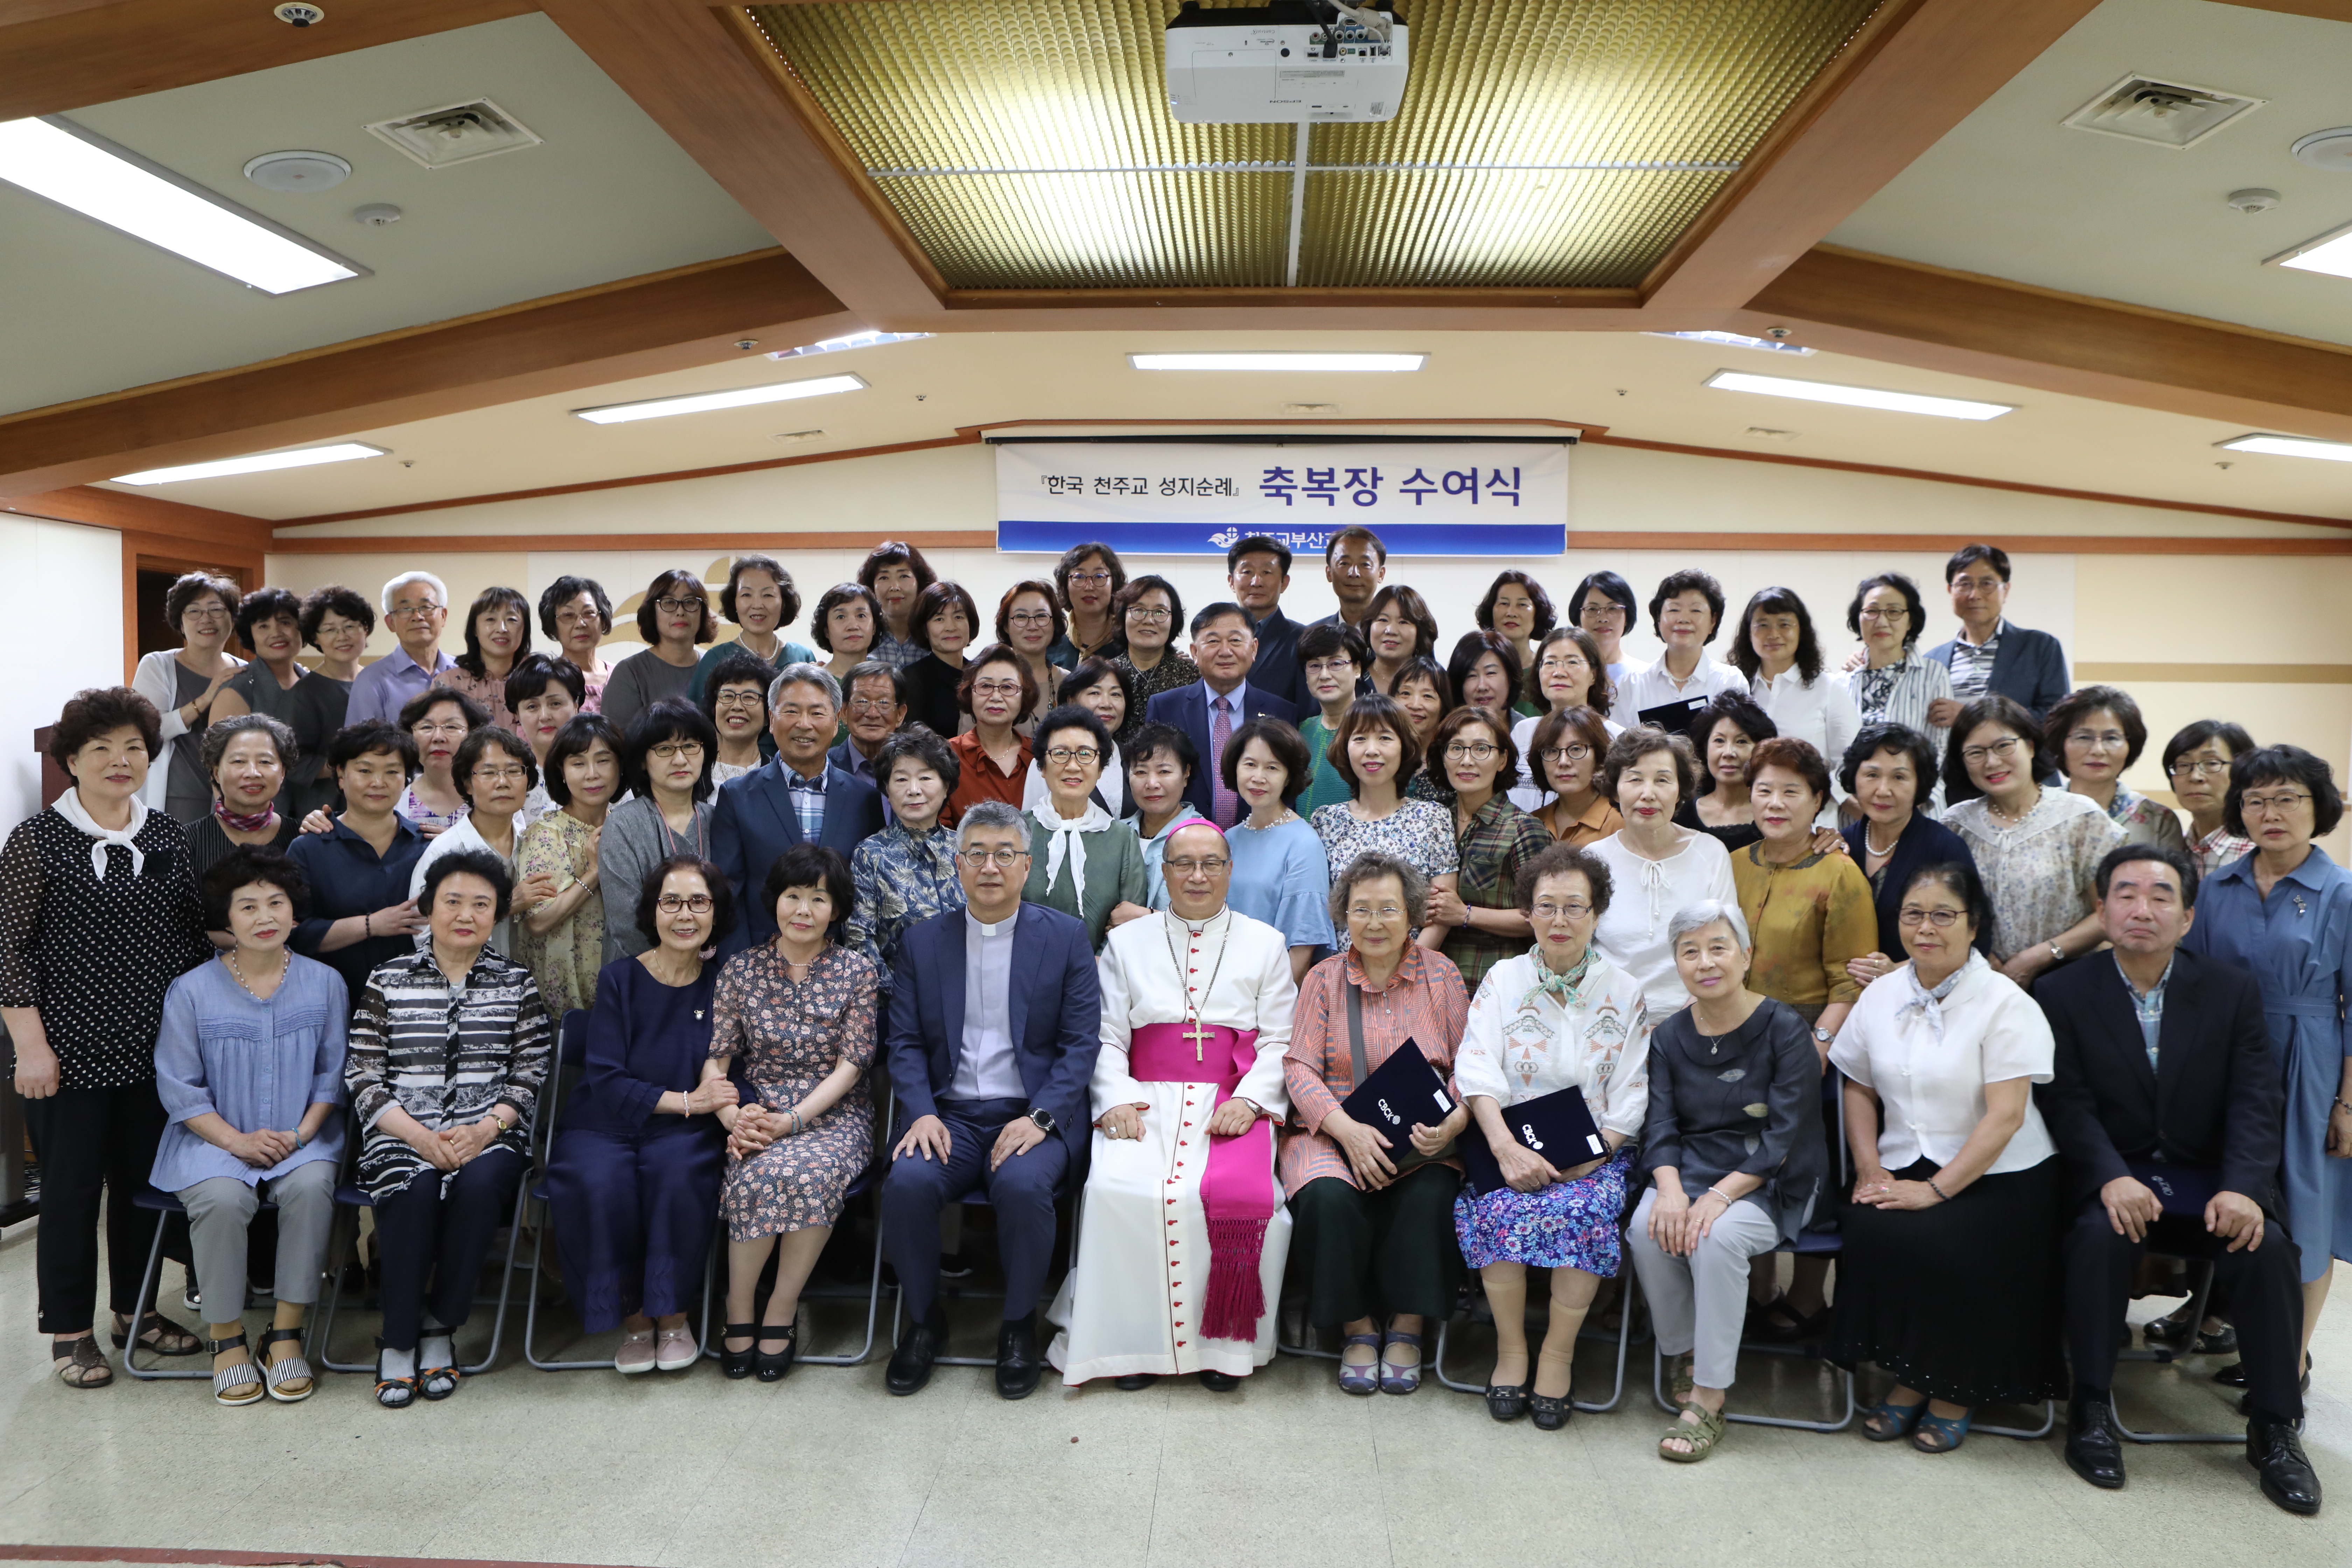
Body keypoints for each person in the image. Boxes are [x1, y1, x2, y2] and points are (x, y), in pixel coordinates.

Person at [2037, 844, 2318, 1513]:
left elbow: (2256, 1098)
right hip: (2116, 1175)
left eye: (2161, 896)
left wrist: (2244, 1187)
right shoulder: (2062, 991)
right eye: (2126, 895)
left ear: (2188, 917)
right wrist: (2108, 1176)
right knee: (2097, 1236)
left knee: (2269, 1248)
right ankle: (2091, 1407)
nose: (2143, 909)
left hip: (2213, 1178)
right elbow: (2066, 1102)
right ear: (2101, 910)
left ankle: (2275, 1426)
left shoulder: (2230, 989)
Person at [3, 687, 212, 1387]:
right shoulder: (37, 839)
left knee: (141, 1188)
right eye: (102, 749)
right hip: (65, 1054)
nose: (120, 760)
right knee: (69, 1194)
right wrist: (30, 1046)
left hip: (155, 1052)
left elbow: (190, 938)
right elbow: (9, 949)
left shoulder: (165, 835)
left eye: (133, 748)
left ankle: (136, 1311)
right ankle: (70, 1330)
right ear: (71, 759)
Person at [1048, 821, 1298, 1389]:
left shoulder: (1266, 943)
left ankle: (1224, 1349)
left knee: (1240, 1200)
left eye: (1211, 864)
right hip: (1144, 1101)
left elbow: (1280, 1040)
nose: (1197, 876)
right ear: (1164, 872)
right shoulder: (1126, 943)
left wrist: (1253, 1100)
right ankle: (1130, 1348)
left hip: (1229, 1101)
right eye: (1183, 864)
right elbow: (1104, 1036)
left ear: (1230, 871)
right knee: (1117, 1191)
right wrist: (1115, 1097)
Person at [1828, 860, 2067, 1452]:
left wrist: (1935, 1191)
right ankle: (1911, 1375)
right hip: (1906, 1158)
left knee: (1952, 1239)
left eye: (1943, 915)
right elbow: (1857, 1086)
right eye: (1913, 914)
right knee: (1870, 1225)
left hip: (2002, 1171)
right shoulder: (1882, 994)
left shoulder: (2004, 1002)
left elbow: (2006, 1116)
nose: (1926, 928)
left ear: (1974, 924)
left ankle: (1953, 1389)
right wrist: (1869, 1167)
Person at [881, 802, 1102, 1399]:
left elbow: (1081, 1044)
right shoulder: (923, 942)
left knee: (1024, 1187)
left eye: (1005, 854)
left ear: (1027, 866)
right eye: (976, 853)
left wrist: (1042, 1118)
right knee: (906, 1184)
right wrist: (922, 1111)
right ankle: (924, 1322)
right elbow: (904, 1041)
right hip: (948, 1116)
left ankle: (1017, 1327)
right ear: (958, 864)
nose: (990, 867)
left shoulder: (1065, 938)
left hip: (1031, 1115)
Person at [1454, 842, 1654, 1430]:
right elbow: (1476, 1068)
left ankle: (1558, 1356)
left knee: (1584, 1211)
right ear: (1529, 912)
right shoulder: (1503, 979)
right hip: (1508, 1144)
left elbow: (1634, 1089)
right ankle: (1512, 1351)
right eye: (1546, 906)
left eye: (1574, 907)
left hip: (1596, 1154)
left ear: (1596, 913)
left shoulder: (1625, 990)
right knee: (1499, 1209)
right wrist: (1504, 1148)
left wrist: (1596, 1156)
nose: (1559, 920)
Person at [346, 849, 550, 1406]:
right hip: (401, 1134)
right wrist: (417, 1137)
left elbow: (531, 1070)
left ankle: (440, 1326)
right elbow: (362, 1074)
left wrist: (485, 1131)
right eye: (453, 902)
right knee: (412, 1188)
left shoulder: (515, 982)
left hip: (490, 1134)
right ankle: (398, 1338)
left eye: (481, 905)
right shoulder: (388, 979)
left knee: (481, 1186)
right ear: (428, 907)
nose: (466, 915)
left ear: (497, 914)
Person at [2181, 743, 2352, 1396]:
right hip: (2224, 1060)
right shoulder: (2217, 887)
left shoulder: (2342, 893)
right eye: (2256, 800)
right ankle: (2228, 1327)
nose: (2270, 813)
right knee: (2230, 1197)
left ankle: (2291, 1363)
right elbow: (2192, 985)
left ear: (2319, 807)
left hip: (2310, 1060)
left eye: (2287, 799)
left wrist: (2347, 1103)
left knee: (2306, 1212)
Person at [1628, 902, 1825, 1461]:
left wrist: (1719, 1195)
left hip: (1775, 1179)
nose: (1705, 962)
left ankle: (1710, 1398)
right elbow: (1660, 1124)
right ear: (1677, 964)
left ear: (1746, 956)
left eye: (1718, 948)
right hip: (1691, 1168)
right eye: (1690, 952)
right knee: (1647, 1228)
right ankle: (1687, 1353)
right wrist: (1670, 1190)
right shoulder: (1669, 1036)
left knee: (1717, 1238)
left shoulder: (1785, 1029)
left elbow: (1786, 1136)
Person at [153, 847, 346, 1406]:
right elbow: (180, 1088)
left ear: (294, 911)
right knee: (222, 1197)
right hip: (212, 1138)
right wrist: (235, 1141)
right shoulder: (191, 989)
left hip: (300, 1135)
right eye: (249, 906)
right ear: (227, 918)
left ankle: (285, 1334)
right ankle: (227, 1337)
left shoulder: (326, 982)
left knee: (312, 1186)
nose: (265, 917)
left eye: (276, 903)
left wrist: (301, 1135)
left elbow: (332, 1078)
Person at [1281, 852, 1470, 1395]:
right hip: (1334, 1129)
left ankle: (1409, 1327)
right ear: (1345, 915)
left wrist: (1455, 1122)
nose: (1375, 922)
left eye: (1389, 909)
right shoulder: (1323, 978)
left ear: (1411, 913)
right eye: (1361, 909)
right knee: (1326, 1198)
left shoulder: (1442, 975)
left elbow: (1472, 1062)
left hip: (1424, 1137)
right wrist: (1345, 1129)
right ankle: (1357, 1328)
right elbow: (1298, 1067)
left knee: (1431, 1192)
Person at [544, 855, 737, 1376]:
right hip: (604, 1122)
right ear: (653, 911)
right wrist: (688, 1101)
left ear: (716, 913)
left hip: (682, 1132)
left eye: (698, 902)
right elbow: (606, 1079)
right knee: (600, 1181)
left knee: (677, 1177)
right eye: (671, 902)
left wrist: (703, 1108)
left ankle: (673, 1318)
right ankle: (634, 1322)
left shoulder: (725, 987)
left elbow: (723, 1071)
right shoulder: (619, 979)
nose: (684, 914)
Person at [710, 844, 880, 1381]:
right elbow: (717, 1062)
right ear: (775, 901)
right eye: (793, 896)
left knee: (809, 1171)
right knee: (756, 1170)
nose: (803, 910)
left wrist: (795, 1121)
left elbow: (852, 1067)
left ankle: (782, 1308)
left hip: (836, 1114)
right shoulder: (741, 970)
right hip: (759, 1110)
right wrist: (734, 1120)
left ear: (837, 909)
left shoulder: (857, 971)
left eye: (819, 899)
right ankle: (740, 1305)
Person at [1942, 694, 2125, 988]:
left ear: (2030, 746)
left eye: (2004, 746)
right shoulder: (1956, 824)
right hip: (1978, 985)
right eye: (1976, 753)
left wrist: (2040, 956)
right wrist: (1984, 955)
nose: (1992, 762)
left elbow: (2110, 911)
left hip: (2069, 982)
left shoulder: (2080, 817)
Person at [710, 665, 885, 954]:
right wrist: (742, 968)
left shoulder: (864, 799)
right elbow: (729, 895)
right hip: (761, 960)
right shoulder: (738, 796)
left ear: (836, 721)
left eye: (817, 713)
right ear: (771, 719)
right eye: (791, 711)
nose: (804, 724)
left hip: (841, 964)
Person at [1731, 737, 1875, 1050]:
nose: (1775, 803)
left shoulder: (1840, 873)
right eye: (1764, 791)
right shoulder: (1734, 863)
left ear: (1817, 800)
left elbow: (1850, 982)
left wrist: (1819, 1045)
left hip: (1802, 1036)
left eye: (1791, 792)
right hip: (1732, 1030)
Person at [1588, 728, 1737, 1016]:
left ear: (1680, 790)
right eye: (1635, 779)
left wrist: (1681, 1026)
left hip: (1697, 1017)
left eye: (1662, 780)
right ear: (1615, 788)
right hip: (1607, 1017)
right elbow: (1578, 953)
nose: (1648, 794)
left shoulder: (1710, 853)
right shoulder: (1594, 858)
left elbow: (1725, 948)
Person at [287, 722, 429, 1001]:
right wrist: (371, 924)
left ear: (406, 779)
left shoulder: (427, 847)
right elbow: (295, 934)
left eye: (392, 772)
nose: (378, 782)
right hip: (333, 1001)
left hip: (417, 1004)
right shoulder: (308, 849)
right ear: (341, 775)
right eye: (365, 771)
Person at [1308, 693, 1459, 950]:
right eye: (1360, 738)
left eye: (1385, 738)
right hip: (1343, 968)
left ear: (1405, 746)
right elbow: (1320, 912)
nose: (1372, 750)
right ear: (1345, 747)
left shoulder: (1433, 818)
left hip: (1414, 966)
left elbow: (1440, 915)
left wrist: (1407, 967)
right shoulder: (1326, 821)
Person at [1838, 723, 1982, 989]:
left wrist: (1899, 971)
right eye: (1872, 775)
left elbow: (1976, 937)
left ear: (1920, 785)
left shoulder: (1945, 848)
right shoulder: (1842, 843)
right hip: (1846, 994)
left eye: (1899, 777)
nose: (1883, 790)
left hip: (1925, 991)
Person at [1423, 708, 1550, 992]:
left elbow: (1545, 914)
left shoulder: (1524, 829)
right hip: (1431, 986)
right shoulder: (1431, 821)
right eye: (1456, 748)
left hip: (1496, 986)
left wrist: (1466, 914)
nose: (1467, 760)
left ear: (1503, 759)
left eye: (1481, 749)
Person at [1143, 601, 1299, 827]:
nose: (1225, 651)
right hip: (1185, 838)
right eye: (1213, 641)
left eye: (1236, 641)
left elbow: (1290, 789)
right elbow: (1153, 777)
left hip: (1262, 836)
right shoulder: (1165, 707)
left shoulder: (1282, 712)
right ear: (1195, 652)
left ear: (1254, 649)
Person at [514, 715, 623, 1020]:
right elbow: (538, 921)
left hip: (620, 992)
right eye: (578, 763)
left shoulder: (626, 826)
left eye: (603, 761)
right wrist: (594, 872)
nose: (592, 774)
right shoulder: (547, 834)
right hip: (562, 1004)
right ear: (561, 772)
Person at [410, 726, 552, 958]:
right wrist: (505, 907)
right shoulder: (444, 851)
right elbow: (423, 935)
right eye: (489, 773)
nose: (503, 782)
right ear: (467, 784)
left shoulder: (537, 844)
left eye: (514, 771)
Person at [1022, 706, 1150, 952]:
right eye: (1060, 753)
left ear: (1101, 769)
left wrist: (1098, 963)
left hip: (1098, 970)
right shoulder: (1016, 831)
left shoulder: (1122, 839)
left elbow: (1128, 922)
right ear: (1042, 767)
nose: (1073, 766)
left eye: (1085, 754)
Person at [600, 701, 718, 964]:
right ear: (643, 760)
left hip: (712, 972)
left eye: (690, 746)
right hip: (641, 971)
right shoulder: (622, 825)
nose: (680, 759)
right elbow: (626, 924)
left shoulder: (718, 819)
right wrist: (681, 966)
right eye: (665, 749)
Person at [1223, 716, 1336, 983]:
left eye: (1272, 768)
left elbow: (1303, 946)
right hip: (1220, 983)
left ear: (1289, 777)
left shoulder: (1304, 843)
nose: (1258, 778)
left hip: (1271, 991)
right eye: (1250, 764)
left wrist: (1271, 1001)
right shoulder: (1227, 839)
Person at [847, 727, 964, 975]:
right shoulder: (870, 855)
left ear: (946, 786)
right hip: (900, 994)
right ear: (887, 790)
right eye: (901, 780)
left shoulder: (967, 848)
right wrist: (901, 993)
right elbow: (859, 941)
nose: (914, 790)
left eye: (926, 778)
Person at [132, 571, 246, 823]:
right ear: (181, 622)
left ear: (232, 618)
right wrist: (205, 699)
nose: (206, 619)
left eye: (216, 610)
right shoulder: (158, 665)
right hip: (177, 796)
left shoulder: (245, 671)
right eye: (194, 611)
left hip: (236, 797)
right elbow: (145, 732)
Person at [1732, 586, 1858, 814]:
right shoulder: (1738, 687)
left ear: (1802, 631)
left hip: (1811, 820)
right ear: (1748, 633)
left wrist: (1822, 794)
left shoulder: (1828, 688)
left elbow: (1851, 760)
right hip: (1744, 816)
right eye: (1763, 625)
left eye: (1784, 624)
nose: (1773, 634)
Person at [1832, 571, 1954, 802]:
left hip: (1917, 807)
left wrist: (1910, 805)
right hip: (1854, 810)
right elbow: (1834, 755)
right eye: (1872, 611)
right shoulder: (1841, 682)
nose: (1882, 621)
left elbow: (1940, 749)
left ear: (1911, 621)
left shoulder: (1933, 674)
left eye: (1894, 611)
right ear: (1858, 618)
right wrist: (1849, 801)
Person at [1926, 544, 2070, 724]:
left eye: (1987, 584)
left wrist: (1971, 715)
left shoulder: (2041, 647)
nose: (1975, 595)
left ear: (2006, 590)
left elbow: (2058, 718)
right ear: (1950, 591)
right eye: (1965, 584)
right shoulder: (1932, 661)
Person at [2047, 685, 2188, 854]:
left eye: (2111, 738)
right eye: (2084, 737)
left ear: (2131, 746)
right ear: (2061, 744)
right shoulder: (2041, 813)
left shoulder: (2159, 820)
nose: (2098, 750)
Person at [282, 584, 372, 823]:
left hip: (379, 803)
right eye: (330, 629)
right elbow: (293, 762)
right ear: (316, 638)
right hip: (327, 812)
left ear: (365, 628)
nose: (342, 636)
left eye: (350, 626)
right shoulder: (306, 692)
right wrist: (354, 767)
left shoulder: (377, 680)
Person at [1507, 626, 1617, 810]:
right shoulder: (1523, 731)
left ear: (1594, 675)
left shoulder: (1616, 736)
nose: (1559, 672)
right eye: (1550, 663)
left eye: (1572, 662)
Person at [186, 714, 300, 885]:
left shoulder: (302, 837)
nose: (253, 773)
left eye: (265, 762)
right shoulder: (188, 841)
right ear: (216, 773)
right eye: (239, 761)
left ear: (283, 772)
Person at [602, 569, 716, 736]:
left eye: (690, 602)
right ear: (653, 612)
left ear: (703, 612)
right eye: (669, 602)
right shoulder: (630, 672)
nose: (680, 611)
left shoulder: (714, 668)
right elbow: (616, 741)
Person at [1618, 569, 1742, 721]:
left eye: (1696, 610)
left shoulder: (1730, 682)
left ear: (1713, 621)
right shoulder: (1633, 684)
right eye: (1674, 610)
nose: (1684, 619)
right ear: (1658, 618)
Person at [688, 554, 814, 703]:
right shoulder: (716, 658)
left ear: (784, 603)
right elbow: (696, 715)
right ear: (735, 602)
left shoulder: (802, 657)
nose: (757, 605)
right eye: (747, 595)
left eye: (768, 595)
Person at [345, 571, 454, 728]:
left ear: (443, 616)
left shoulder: (465, 672)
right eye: (406, 609)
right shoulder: (372, 680)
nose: (417, 616)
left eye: (427, 607)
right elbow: (360, 741)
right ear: (391, 623)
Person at [942, 646, 1033, 827]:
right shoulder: (946, 755)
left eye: (1007, 687)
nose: (996, 697)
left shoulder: (1039, 756)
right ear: (970, 693)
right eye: (986, 686)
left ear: (1024, 696)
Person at [1026, 661, 1132, 813]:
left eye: (1116, 694)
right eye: (1095, 693)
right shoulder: (1050, 757)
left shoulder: (1134, 758)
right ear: (1071, 701)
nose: (1107, 704)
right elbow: (1031, 822)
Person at [430, 586, 532, 732]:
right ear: (475, 629)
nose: (502, 629)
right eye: (491, 619)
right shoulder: (449, 683)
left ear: (524, 630)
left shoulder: (537, 681)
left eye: (512, 620)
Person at [2165, 719, 2258, 877]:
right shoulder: (2172, 849)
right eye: (2183, 765)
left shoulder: (2258, 854)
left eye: (2212, 763)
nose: (2195, 777)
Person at [209, 587, 309, 727]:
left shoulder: (311, 681)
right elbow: (220, 742)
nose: (276, 633)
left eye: (285, 622)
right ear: (251, 635)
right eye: (264, 626)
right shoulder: (238, 688)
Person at [1523, 706, 1622, 848]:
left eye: (1576, 749)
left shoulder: (1621, 822)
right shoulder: (1532, 824)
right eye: (1552, 751)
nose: (1564, 762)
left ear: (1599, 757)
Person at [1297, 622, 1368, 818]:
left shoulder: (1375, 731)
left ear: (1357, 669)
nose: (1324, 675)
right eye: (1314, 666)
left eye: (1336, 664)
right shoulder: (1302, 731)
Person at [1124, 722, 1197, 909]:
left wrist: (1148, 917)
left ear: (1186, 773)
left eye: (1164, 771)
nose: (1152, 784)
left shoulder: (1203, 837)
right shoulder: (1115, 834)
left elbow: (1208, 915)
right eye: (1141, 772)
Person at [394, 688, 485, 838]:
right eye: (426, 727)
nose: (438, 737)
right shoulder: (395, 797)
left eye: (451, 727)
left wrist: (453, 843)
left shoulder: (492, 793)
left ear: (473, 734)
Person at [1231, 535, 1306, 710]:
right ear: (1231, 582)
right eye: (1247, 572)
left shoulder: (1302, 639)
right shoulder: (1214, 639)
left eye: (1267, 572)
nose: (1256, 582)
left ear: (1284, 583)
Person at [901, 580, 980, 740]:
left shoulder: (980, 674)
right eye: (939, 619)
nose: (951, 627)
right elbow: (914, 743)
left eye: (959, 617)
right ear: (925, 629)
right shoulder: (912, 678)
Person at [1109, 574, 1198, 711]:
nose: (1149, 620)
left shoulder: (1193, 678)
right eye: (1139, 610)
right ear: (1123, 616)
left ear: (1174, 621)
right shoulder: (1106, 675)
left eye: (1160, 612)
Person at [504, 655, 586, 799]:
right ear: (517, 714)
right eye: (532, 707)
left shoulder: (598, 770)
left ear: (576, 705)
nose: (544, 716)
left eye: (555, 704)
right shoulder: (508, 777)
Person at [996, 579, 1070, 734]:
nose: (1032, 626)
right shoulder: (987, 683)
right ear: (1006, 626)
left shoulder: (1070, 683)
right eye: (1021, 617)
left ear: (1055, 624)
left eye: (1041, 616)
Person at [829, 660, 908, 798]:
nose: (872, 714)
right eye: (862, 702)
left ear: (900, 715)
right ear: (844, 712)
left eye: (884, 703)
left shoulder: (915, 767)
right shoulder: (824, 766)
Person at [538, 575, 615, 713]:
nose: (580, 624)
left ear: (603, 620)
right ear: (553, 626)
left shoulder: (621, 676)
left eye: (589, 613)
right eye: (568, 615)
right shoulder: (545, 679)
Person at [1477, 570, 1555, 701]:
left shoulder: (1548, 670)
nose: (1511, 613)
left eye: (1522, 605)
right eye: (1504, 604)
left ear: (1538, 613)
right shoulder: (1475, 668)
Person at [859, 540, 937, 671]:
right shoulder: (863, 641)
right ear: (871, 587)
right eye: (884, 578)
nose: (894, 587)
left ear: (920, 584)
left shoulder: (934, 637)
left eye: (904, 576)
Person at [1047, 542, 1127, 666]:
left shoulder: (1129, 642)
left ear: (1114, 583)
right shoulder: (1050, 640)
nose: (1089, 587)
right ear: (1066, 585)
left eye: (1099, 576)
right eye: (1079, 577)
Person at [703, 649, 774, 787]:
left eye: (749, 697)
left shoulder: (780, 775)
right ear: (714, 708)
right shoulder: (694, 770)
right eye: (727, 696)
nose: (737, 706)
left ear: (768, 715)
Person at [1566, 569, 1639, 693]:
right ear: (1578, 617)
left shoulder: (1642, 675)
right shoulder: (1564, 672)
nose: (1603, 618)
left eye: (1613, 609)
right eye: (1592, 609)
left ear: (1627, 617)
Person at [1391, 659, 1453, 800]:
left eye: (1428, 696)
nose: (1415, 705)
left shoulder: (1453, 758)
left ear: (1444, 706)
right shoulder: (1380, 753)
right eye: (1406, 693)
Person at [1363, 585, 1439, 695]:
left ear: (1420, 632)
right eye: (1383, 620)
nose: (1391, 631)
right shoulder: (1351, 680)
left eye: (1403, 622)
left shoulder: (1437, 684)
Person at [1313, 526, 1387, 636]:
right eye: (1344, 563)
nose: (1354, 573)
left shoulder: (1395, 634)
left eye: (1365, 564)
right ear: (1329, 573)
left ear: (1381, 574)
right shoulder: (1314, 636)